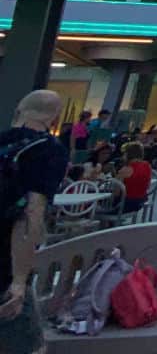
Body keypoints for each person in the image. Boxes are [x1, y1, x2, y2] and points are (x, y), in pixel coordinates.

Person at [0, 90, 68, 354]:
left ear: (19, 110)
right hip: (5, 264)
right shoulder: (49, 150)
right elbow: (31, 212)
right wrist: (19, 281)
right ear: (55, 118)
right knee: (30, 348)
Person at [116, 142, 152, 214]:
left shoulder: (125, 170)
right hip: (140, 202)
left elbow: (116, 192)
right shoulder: (147, 165)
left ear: (128, 154)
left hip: (125, 205)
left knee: (98, 205)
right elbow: (148, 186)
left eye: (124, 154)